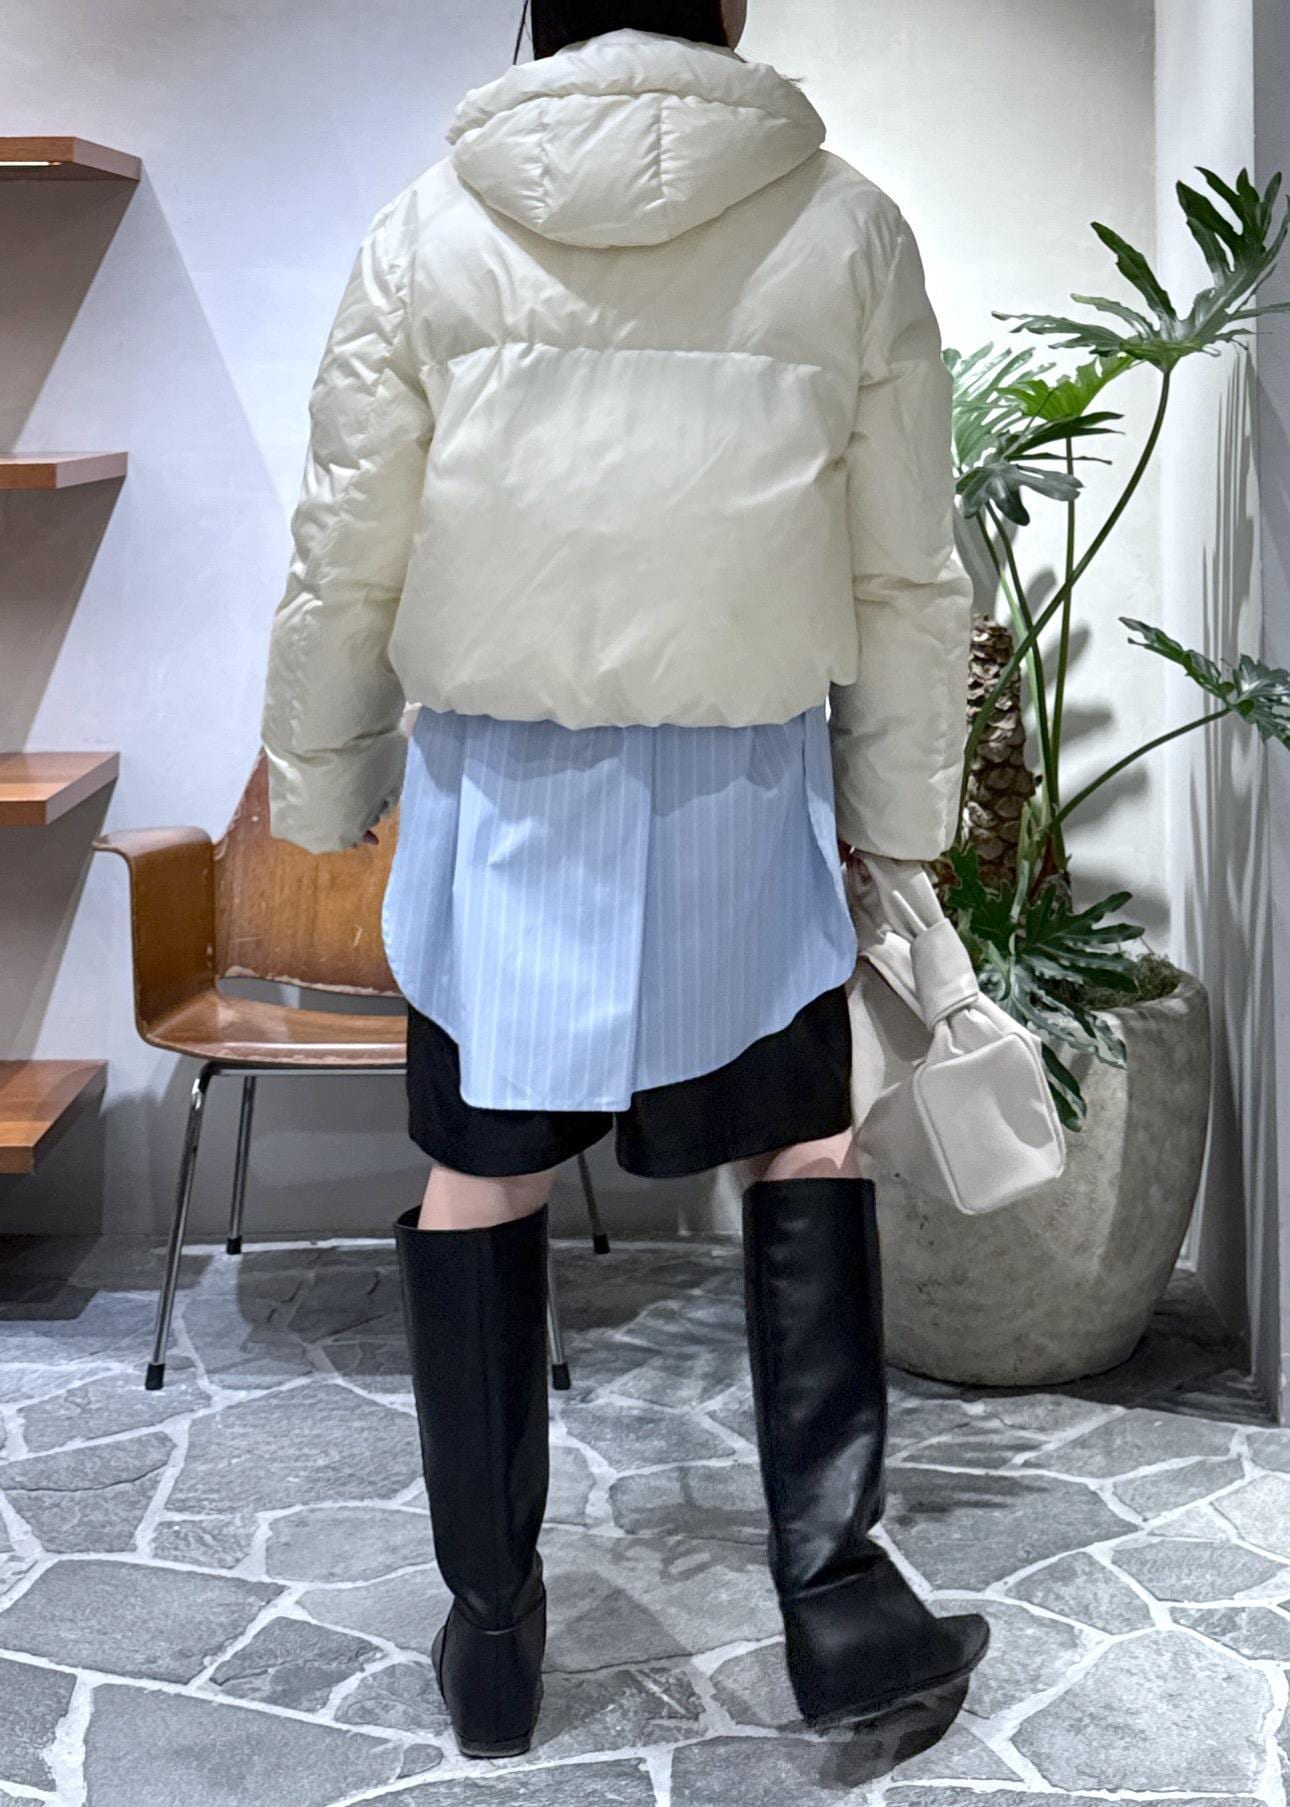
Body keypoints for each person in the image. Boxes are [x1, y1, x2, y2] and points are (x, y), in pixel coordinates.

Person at [260, 0, 987, 1762]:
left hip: (505, 788)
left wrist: (323, 778)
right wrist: (898, 811)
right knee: (799, 1146)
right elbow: (902, 563)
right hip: (737, 775)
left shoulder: (425, 224)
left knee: (477, 1171)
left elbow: (350, 539)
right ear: (722, 10)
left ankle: (492, 1637)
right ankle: (836, 1606)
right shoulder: (845, 223)